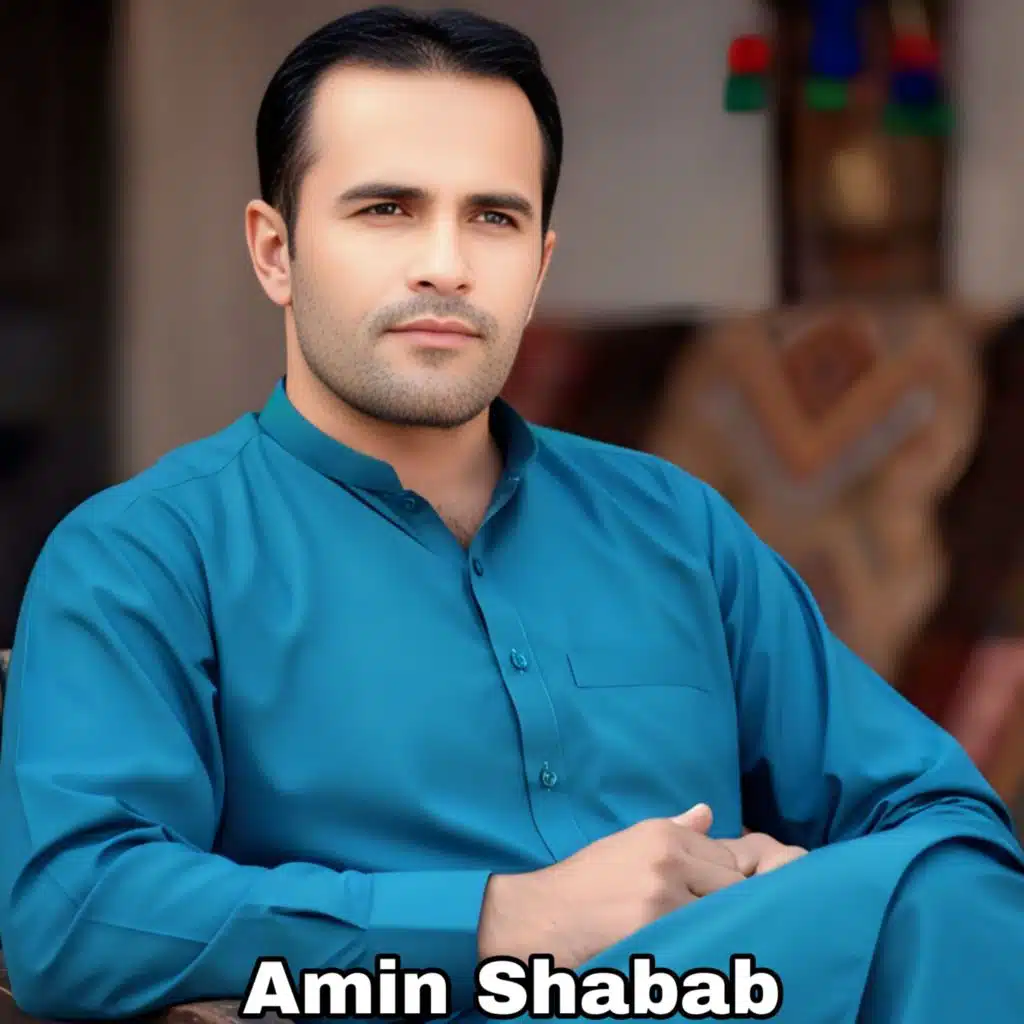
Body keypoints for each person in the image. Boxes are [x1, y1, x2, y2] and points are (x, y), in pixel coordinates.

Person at [0, 6, 1022, 1022]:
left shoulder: (676, 526)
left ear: (538, 264)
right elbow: (75, 913)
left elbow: (944, 818)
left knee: (945, 887)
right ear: (276, 251)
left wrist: (786, 887)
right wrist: (499, 918)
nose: (446, 264)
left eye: (493, 217)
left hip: (739, 991)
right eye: (386, 209)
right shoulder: (140, 555)